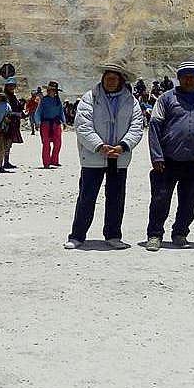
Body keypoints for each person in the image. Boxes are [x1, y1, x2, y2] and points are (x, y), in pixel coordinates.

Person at [64, 64, 144, 250]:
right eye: (108, 78)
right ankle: (77, 236)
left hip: (119, 156)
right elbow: (82, 125)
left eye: (114, 79)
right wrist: (99, 146)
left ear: (121, 81)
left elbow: (136, 126)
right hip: (93, 156)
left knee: (116, 198)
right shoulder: (89, 98)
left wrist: (123, 146)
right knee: (87, 197)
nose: (110, 82)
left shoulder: (131, 101)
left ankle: (113, 235)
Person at [145, 61, 194, 251]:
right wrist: (157, 156)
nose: (189, 80)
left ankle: (180, 233)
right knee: (160, 200)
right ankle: (155, 235)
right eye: (185, 76)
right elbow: (154, 128)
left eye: (193, 77)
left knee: (189, 201)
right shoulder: (165, 99)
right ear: (179, 78)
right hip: (167, 160)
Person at [33, 81, 66, 168]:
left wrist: (64, 122)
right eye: (50, 90)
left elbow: (61, 112)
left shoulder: (58, 100)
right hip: (45, 124)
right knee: (46, 144)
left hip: (56, 124)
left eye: (53, 90)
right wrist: (37, 122)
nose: (51, 91)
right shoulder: (44, 100)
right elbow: (38, 111)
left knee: (58, 143)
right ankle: (46, 163)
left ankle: (54, 161)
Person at [2, 77, 23, 168]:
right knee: (5, 143)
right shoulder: (4, 97)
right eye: (10, 86)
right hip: (6, 123)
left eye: (13, 86)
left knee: (9, 143)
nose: (11, 88)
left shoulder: (13, 97)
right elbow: (5, 110)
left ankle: (5, 161)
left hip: (13, 123)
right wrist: (17, 114)